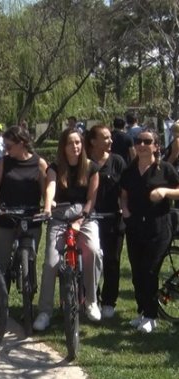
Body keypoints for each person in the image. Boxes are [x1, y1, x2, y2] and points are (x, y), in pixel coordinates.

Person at [33, 127, 101, 331]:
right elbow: (50, 187)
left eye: (78, 142)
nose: (75, 146)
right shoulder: (54, 167)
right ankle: (45, 311)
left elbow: (91, 199)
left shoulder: (91, 167)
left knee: (94, 251)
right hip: (59, 218)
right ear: (63, 146)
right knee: (51, 262)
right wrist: (47, 207)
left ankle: (91, 301)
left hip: (85, 217)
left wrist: (81, 220)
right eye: (71, 143)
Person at [121, 128, 179, 333]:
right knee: (137, 272)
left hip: (159, 225)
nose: (141, 145)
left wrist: (164, 191)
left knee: (150, 270)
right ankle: (142, 311)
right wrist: (125, 210)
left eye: (147, 141)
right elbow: (124, 193)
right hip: (135, 225)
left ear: (156, 146)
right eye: (138, 141)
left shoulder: (165, 169)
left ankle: (151, 315)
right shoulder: (129, 170)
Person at [0, 126, 48, 285]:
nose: (5, 149)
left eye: (9, 146)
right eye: (5, 145)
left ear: (22, 143)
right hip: (6, 215)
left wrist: (47, 207)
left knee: (30, 257)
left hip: (30, 217)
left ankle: (28, 289)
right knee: (1, 263)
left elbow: (46, 192)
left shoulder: (39, 163)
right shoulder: (4, 162)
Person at [87, 124, 125, 319]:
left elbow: (125, 189)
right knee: (91, 260)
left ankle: (109, 301)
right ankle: (90, 298)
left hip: (112, 219)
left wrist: (123, 206)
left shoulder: (117, 161)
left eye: (111, 137)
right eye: (106, 137)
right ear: (93, 141)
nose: (111, 141)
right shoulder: (84, 161)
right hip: (90, 219)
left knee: (112, 260)